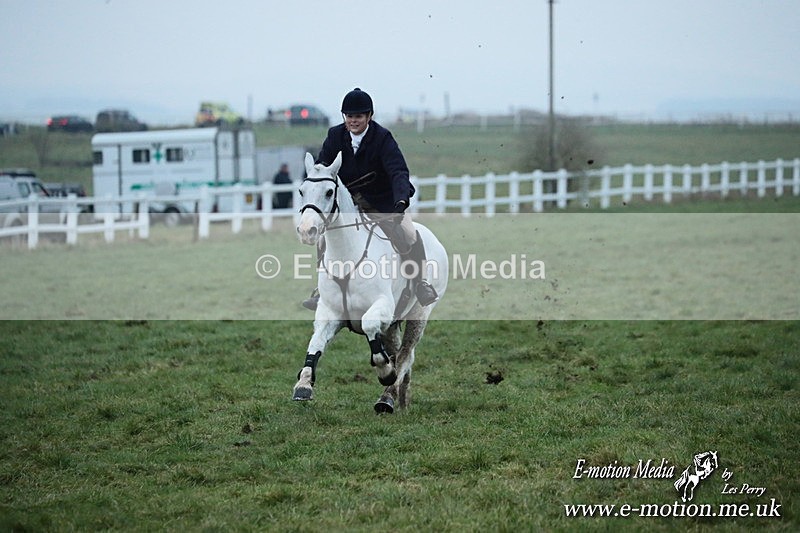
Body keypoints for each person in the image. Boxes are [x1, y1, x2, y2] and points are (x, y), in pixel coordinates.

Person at [302, 87, 438, 310]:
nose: (353, 121)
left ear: (369, 116)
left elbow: (398, 172)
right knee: (323, 239)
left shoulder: (382, 138)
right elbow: (322, 170)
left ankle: (421, 283)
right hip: (347, 206)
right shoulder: (335, 136)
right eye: (349, 116)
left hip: (382, 203)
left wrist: (401, 202)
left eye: (358, 116)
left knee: (410, 234)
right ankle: (322, 291)